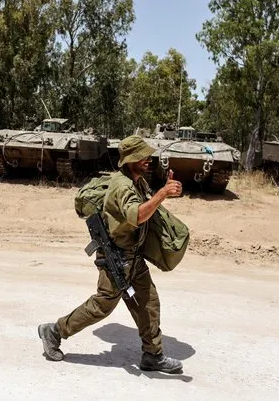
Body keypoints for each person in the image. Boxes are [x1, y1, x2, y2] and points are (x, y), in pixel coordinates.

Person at [38, 135, 184, 374]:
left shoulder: (137, 181)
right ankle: (53, 331)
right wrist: (162, 195)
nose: (148, 160)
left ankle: (152, 355)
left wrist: (160, 191)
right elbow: (136, 215)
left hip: (134, 258)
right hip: (118, 258)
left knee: (148, 302)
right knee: (101, 306)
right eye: (143, 156)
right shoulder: (122, 185)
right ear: (130, 159)